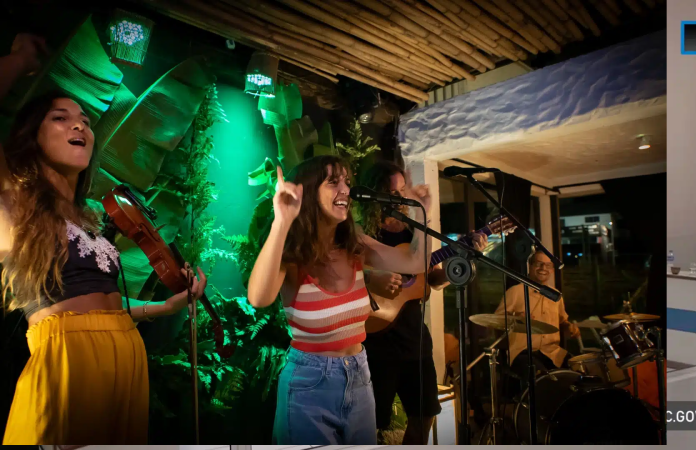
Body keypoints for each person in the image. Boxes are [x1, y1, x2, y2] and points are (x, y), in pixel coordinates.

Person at [1, 34, 205, 444]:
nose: (80, 124)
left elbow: (104, 310)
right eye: (60, 118)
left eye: (85, 120)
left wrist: (163, 307)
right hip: (67, 364)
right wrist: (18, 58)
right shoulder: (12, 204)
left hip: (126, 359)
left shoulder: (91, 215)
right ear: (31, 136)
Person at [247, 155, 431, 445]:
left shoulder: (353, 244)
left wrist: (422, 213)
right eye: (333, 182)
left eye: (347, 181)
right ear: (307, 192)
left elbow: (414, 260)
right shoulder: (293, 254)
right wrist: (282, 221)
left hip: (360, 376)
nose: (346, 189)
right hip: (310, 383)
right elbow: (258, 298)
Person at [356, 160, 488, 444]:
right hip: (376, 336)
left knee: (425, 413)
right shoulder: (358, 232)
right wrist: (371, 276)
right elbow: (345, 271)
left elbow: (430, 281)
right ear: (374, 193)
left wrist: (456, 269)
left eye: (403, 190)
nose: (401, 198)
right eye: (393, 192)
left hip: (414, 339)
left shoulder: (412, 232)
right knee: (371, 422)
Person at [496, 249, 579, 383]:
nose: (543, 268)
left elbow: (563, 322)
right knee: (540, 376)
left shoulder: (556, 295)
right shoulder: (515, 292)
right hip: (523, 353)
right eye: (539, 264)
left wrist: (570, 328)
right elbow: (496, 321)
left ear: (552, 270)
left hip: (552, 352)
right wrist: (514, 319)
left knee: (579, 371)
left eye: (548, 265)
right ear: (530, 265)